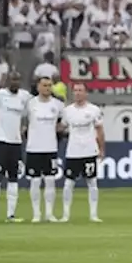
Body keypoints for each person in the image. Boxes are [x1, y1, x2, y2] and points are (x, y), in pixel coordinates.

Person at [0, 69, 32, 222]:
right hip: (0, 141)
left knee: (13, 178)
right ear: (7, 81)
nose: (15, 83)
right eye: (12, 80)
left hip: (16, 142)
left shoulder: (24, 96)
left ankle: (10, 214)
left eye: (17, 80)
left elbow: (34, 106)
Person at [60, 83, 105, 222]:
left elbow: (100, 131)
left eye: (80, 90)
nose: (78, 93)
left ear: (86, 93)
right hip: (73, 151)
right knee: (68, 184)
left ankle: (93, 214)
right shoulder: (67, 111)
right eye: (75, 91)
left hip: (89, 151)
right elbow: (61, 127)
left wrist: (102, 149)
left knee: (92, 183)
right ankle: (66, 214)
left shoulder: (94, 110)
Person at [24, 75, 63, 223]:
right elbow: (22, 121)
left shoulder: (58, 105)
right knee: (34, 182)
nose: (47, 88)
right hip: (34, 148)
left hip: (50, 148)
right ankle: (36, 213)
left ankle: (49, 213)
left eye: (49, 85)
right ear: (38, 87)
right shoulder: (30, 104)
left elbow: (62, 122)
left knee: (50, 181)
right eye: (44, 85)